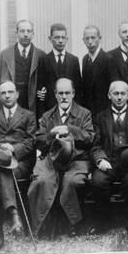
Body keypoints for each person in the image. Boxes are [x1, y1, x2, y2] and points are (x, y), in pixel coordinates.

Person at [28, 78, 95, 236]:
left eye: (67, 93)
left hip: (76, 160)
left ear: (73, 94)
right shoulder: (47, 116)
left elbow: (89, 138)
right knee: (41, 180)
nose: (64, 97)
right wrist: (51, 133)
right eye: (60, 93)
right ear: (55, 95)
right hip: (52, 161)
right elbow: (38, 141)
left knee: (72, 181)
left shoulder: (84, 114)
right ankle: (43, 222)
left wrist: (69, 129)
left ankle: (73, 221)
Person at [0, 81, 37, 251]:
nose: (7, 96)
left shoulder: (28, 115)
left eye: (10, 92)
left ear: (17, 94)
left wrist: (12, 148)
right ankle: (14, 215)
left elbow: (32, 141)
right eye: (3, 93)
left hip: (19, 162)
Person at [90, 81, 128, 239]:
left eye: (123, 94)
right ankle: (104, 221)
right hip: (109, 162)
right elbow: (95, 144)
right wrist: (100, 160)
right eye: (115, 93)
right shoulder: (100, 117)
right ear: (109, 95)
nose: (119, 97)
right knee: (98, 181)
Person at [0, 19, 46, 118]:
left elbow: (46, 84)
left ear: (33, 34)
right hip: (11, 103)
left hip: (33, 105)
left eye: (29, 31)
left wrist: (45, 91)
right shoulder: (5, 55)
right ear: (16, 33)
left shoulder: (41, 55)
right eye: (22, 31)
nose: (26, 34)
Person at [39, 23, 82, 112]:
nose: (60, 40)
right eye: (57, 37)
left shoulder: (74, 60)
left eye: (63, 37)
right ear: (50, 39)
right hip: (50, 109)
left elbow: (78, 88)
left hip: (70, 109)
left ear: (67, 39)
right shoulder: (44, 60)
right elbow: (41, 90)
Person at [81, 25, 112, 116]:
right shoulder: (85, 59)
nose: (90, 41)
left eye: (93, 38)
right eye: (87, 38)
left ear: (100, 38)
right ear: (83, 40)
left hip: (104, 111)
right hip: (88, 112)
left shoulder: (108, 59)